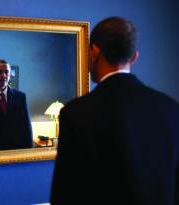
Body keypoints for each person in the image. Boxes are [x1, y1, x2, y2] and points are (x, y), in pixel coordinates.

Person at [50, 17, 179, 205]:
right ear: (134, 57)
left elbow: (65, 194)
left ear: (94, 51)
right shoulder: (170, 108)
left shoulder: (76, 113)